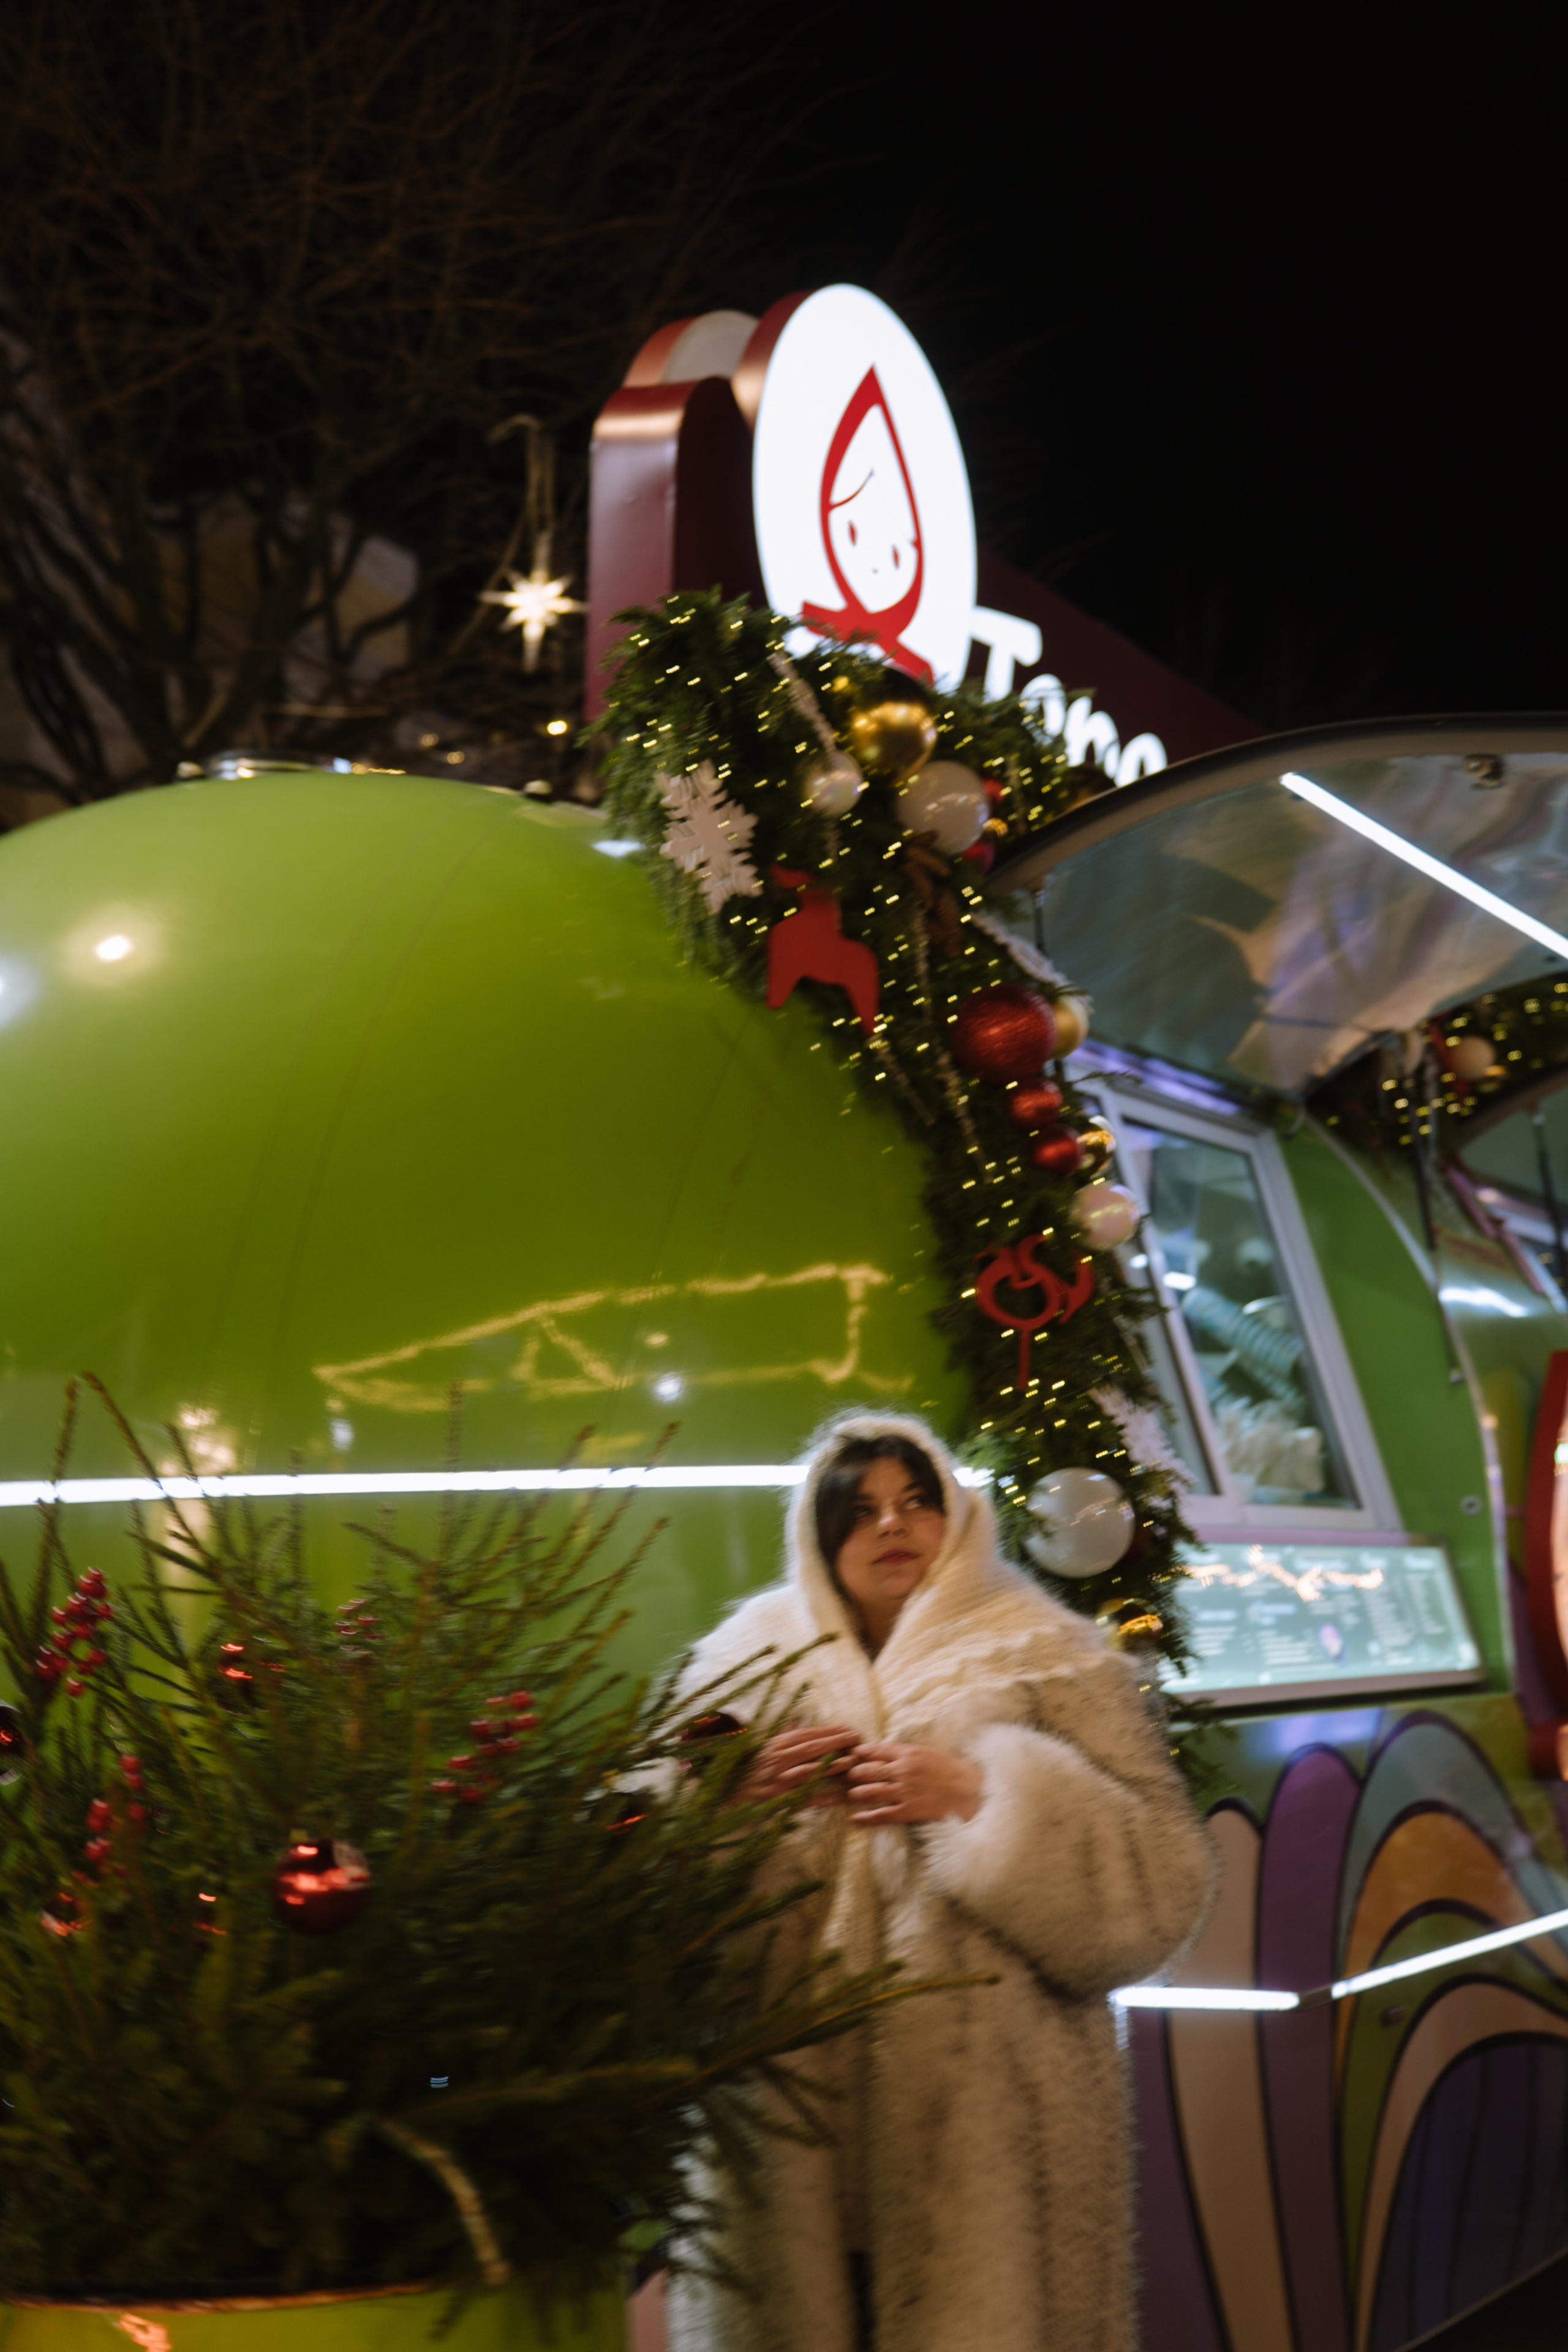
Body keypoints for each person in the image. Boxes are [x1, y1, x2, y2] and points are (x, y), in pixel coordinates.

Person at [665, 1410, 1213, 2352]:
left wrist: (985, 1798)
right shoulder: (739, 1668)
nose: (892, 1526)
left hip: (994, 2139)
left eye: (915, 1501)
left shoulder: (1055, 1653)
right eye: (863, 1510)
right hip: (791, 2134)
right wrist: (724, 1803)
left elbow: (1162, 1883)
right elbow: (638, 1886)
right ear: (819, 1534)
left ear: (953, 1514)